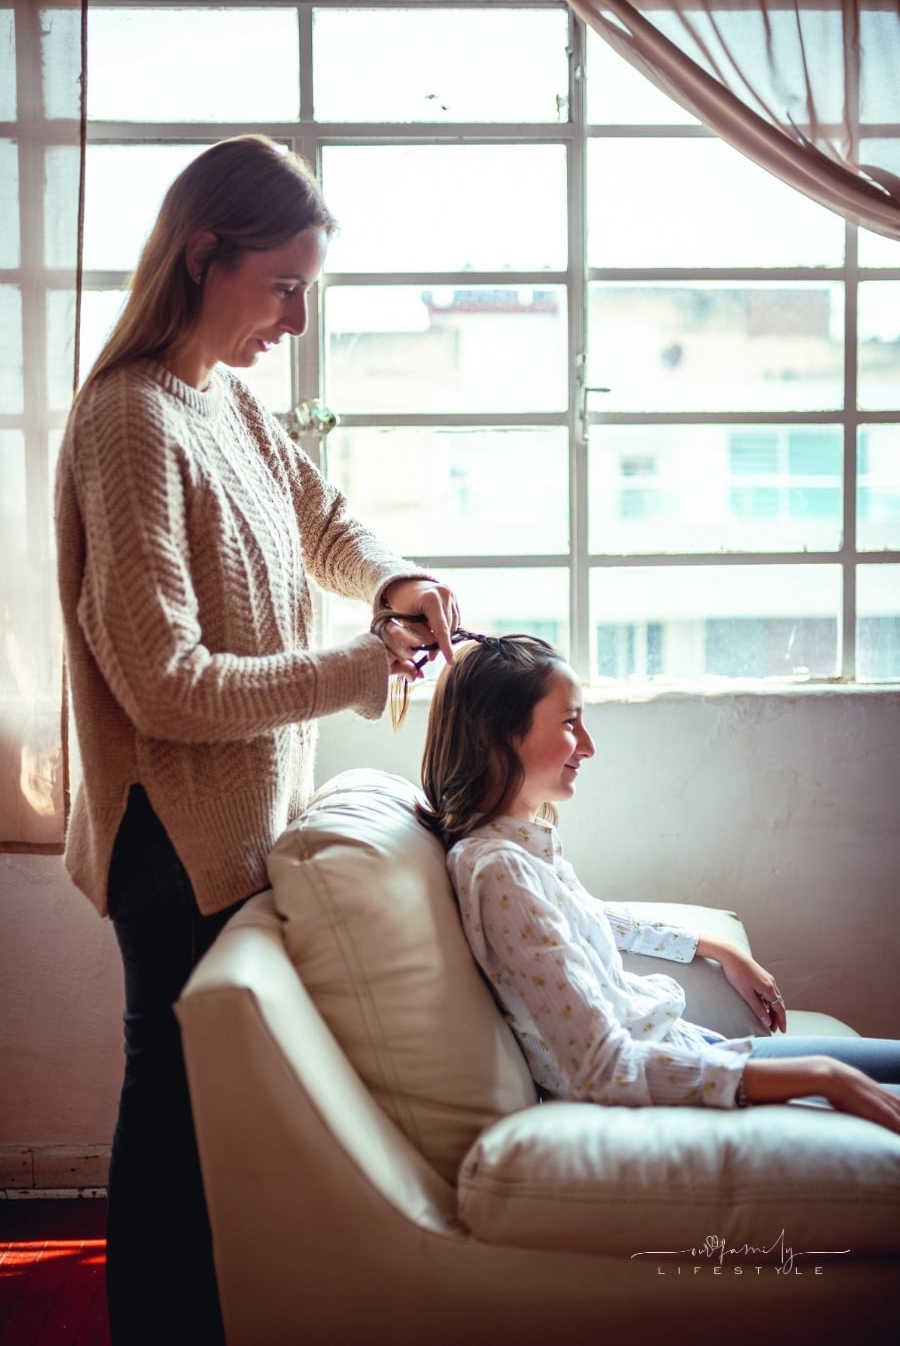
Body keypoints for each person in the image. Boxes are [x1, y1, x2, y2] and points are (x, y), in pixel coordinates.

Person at [55, 134, 459, 1346]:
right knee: (175, 1115)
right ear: (202, 256)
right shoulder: (132, 422)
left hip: (240, 825)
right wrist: (356, 669)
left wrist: (395, 578)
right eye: (281, 287)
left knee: (220, 1115)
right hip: (170, 841)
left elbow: (324, 518)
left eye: (305, 290)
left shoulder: (225, 397)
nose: (294, 318)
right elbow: (166, 688)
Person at [416, 632, 900, 1133]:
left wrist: (714, 948)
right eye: (569, 722)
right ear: (499, 735)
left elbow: (590, 916)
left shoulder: (520, 848)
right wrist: (820, 1078)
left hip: (692, 1046)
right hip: (680, 1079)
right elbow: (603, 1069)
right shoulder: (499, 871)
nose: (588, 745)